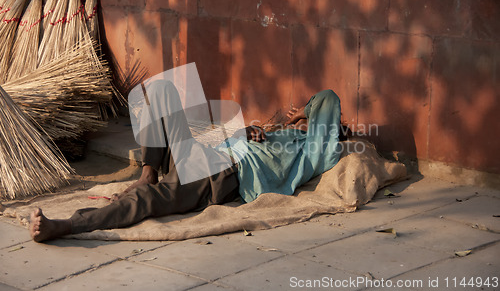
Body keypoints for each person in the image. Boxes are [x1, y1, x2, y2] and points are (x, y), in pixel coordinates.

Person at [30, 80, 342, 242]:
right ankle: (147, 173)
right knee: (162, 89)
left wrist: (303, 113)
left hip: (219, 174)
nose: (302, 121)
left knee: (148, 201)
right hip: (206, 151)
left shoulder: (314, 151)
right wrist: (245, 132)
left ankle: (67, 225)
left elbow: (327, 97)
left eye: (312, 120)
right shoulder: (283, 135)